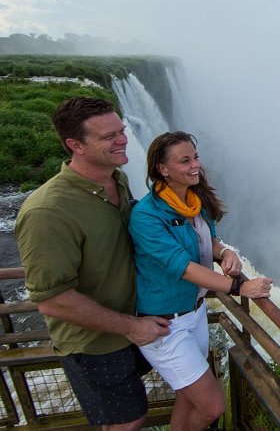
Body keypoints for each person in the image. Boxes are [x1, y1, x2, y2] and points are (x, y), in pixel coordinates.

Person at [15, 97, 171, 430]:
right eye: (108, 136)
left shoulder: (117, 179)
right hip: (97, 343)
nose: (123, 140)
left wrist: (211, 245)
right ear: (75, 145)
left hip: (135, 322)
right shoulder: (47, 212)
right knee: (126, 422)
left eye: (122, 130)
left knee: (131, 413)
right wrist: (130, 327)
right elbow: (52, 300)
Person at [129, 131, 272, 430]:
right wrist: (240, 287)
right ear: (162, 169)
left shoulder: (194, 202)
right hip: (164, 324)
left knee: (188, 397)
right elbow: (184, 268)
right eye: (185, 160)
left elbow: (209, 242)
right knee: (212, 407)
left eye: (195, 156)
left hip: (194, 314)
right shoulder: (146, 215)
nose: (195, 164)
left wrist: (225, 251)